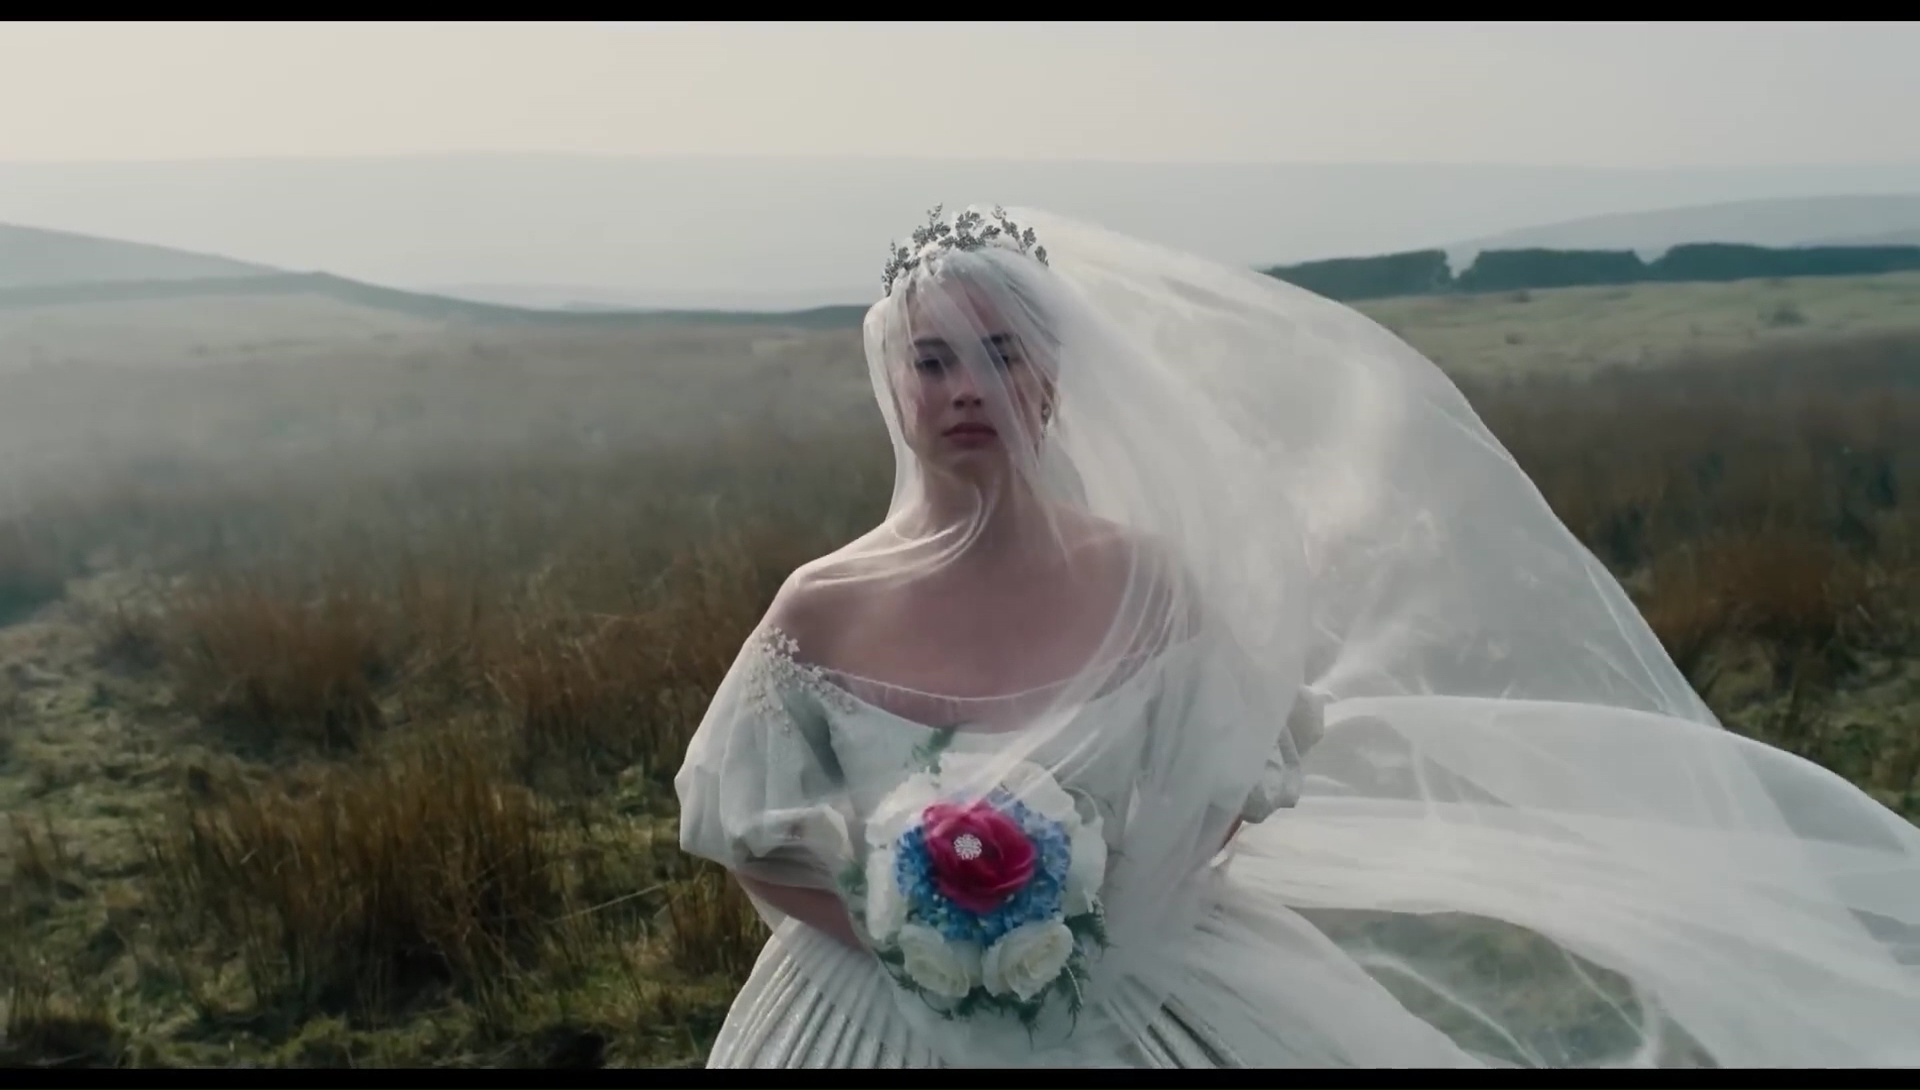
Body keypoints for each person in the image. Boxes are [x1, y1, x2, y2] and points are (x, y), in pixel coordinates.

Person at [674, 205, 1920, 1068]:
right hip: (872, 1017)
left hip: (1144, 985)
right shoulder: (821, 604)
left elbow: (1224, 782)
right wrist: (908, 935)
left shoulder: (1148, 582)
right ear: (896, 383)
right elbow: (752, 840)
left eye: (1000, 354)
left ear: (1052, 371)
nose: (966, 390)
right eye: (935, 360)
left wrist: (1105, 930)